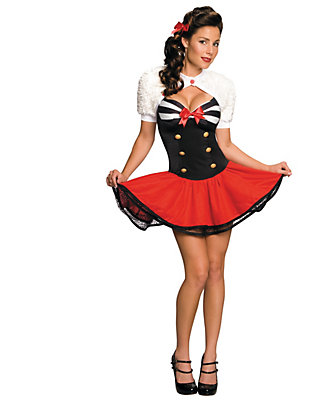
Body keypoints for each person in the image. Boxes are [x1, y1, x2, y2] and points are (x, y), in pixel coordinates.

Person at [106, 6, 292, 396]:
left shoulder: (223, 85)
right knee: (198, 272)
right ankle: (181, 354)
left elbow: (226, 145)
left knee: (217, 270)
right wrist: (126, 173)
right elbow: (145, 138)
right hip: (183, 188)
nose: (210, 50)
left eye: (217, 43)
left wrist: (267, 167)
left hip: (220, 184)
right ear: (185, 40)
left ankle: (211, 356)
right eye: (204, 41)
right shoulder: (153, 82)